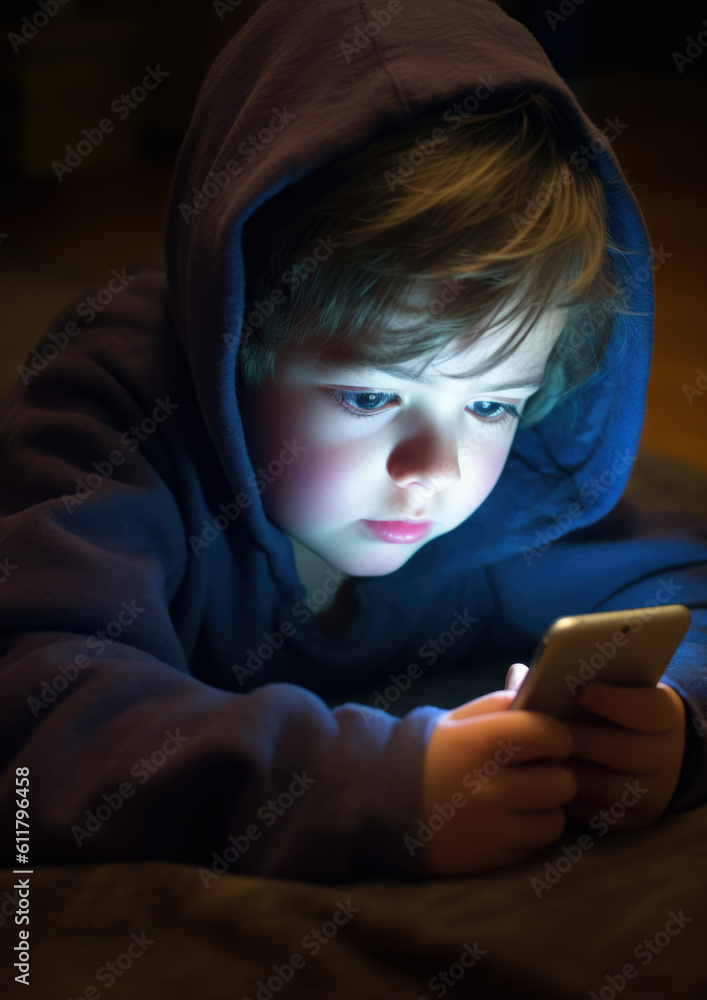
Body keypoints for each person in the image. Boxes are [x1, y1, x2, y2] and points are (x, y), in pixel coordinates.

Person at [0, 0, 705, 884]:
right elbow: (39, 715)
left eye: (491, 406)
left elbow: (683, 579)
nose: (434, 474)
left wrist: (676, 719)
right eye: (371, 395)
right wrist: (370, 787)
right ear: (236, 336)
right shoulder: (113, 410)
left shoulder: (503, 509)